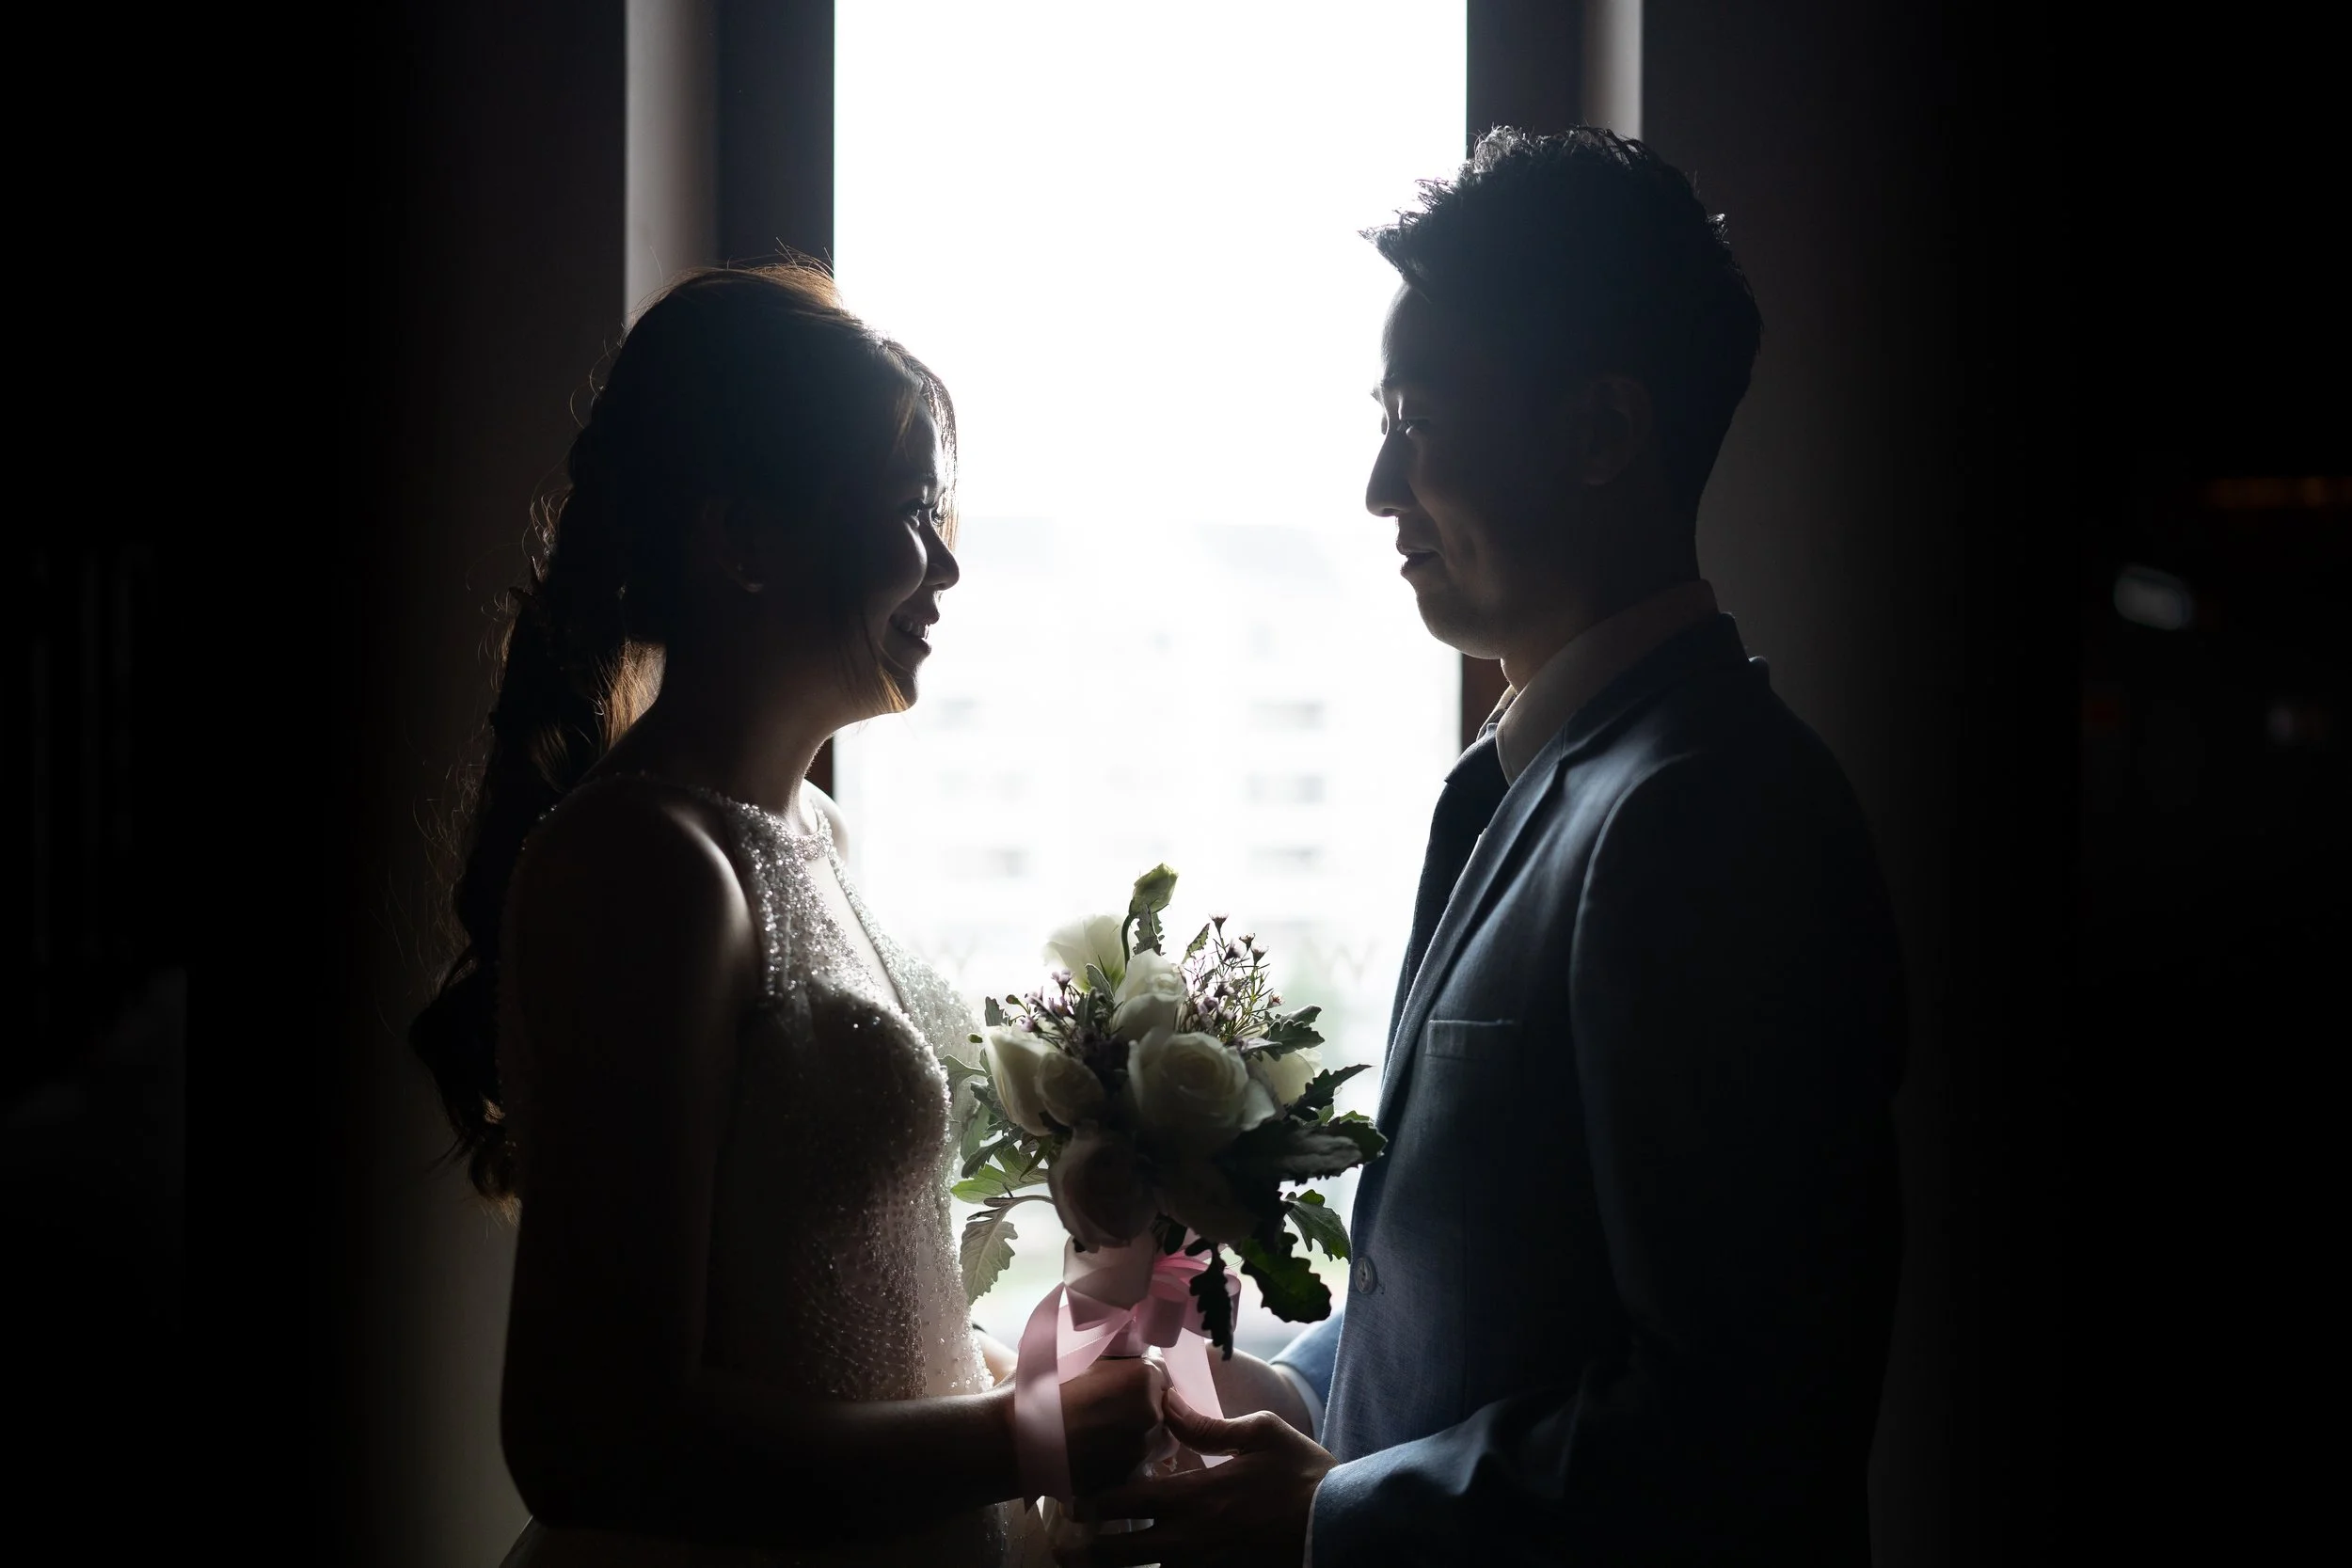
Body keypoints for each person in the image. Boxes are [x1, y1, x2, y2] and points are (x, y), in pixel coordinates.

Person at [1072, 127, 1906, 1566]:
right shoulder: (1532, 782)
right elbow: (1476, 1312)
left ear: (1602, 435)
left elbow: (1742, 1428)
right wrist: (1275, 1396)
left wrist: (1329, 1512)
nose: (1378, 485)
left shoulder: (1705, 816)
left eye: (1419, 418)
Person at [408, 262, 1190, 1566]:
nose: (947, 562)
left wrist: (1026, 1375)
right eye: (908, 511)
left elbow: (822, 1308)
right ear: (743, 542)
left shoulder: (817, 834)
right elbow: (591, 1436)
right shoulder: (643, 867)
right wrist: (1024, 1438)